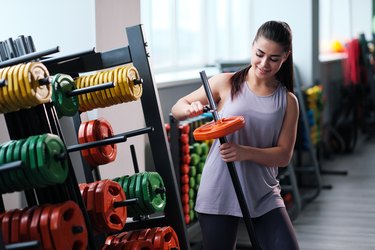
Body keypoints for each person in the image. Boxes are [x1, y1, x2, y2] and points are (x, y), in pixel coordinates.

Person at [171, 20, 300, 250]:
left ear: (285, 57)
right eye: (260, 53)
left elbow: (283, 156)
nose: (264, 63)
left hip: (264, 194)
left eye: (274, 58)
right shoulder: (226, 83)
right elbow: (178, 107)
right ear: (252, 46)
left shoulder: (289, 102)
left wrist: (244, 152)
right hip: (219, 190)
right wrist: (188, 109)